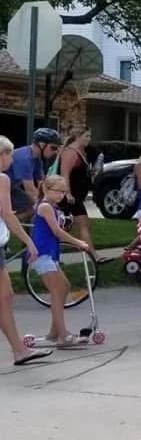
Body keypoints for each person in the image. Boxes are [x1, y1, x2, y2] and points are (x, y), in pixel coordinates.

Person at [27, 175, 91, 348]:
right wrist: (78, 242)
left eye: (64, 191)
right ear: (46, 190)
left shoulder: (51, 207)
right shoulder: (46, 206)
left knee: (64, 288)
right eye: (58, 191)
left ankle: (54, 332)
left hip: (50, 254)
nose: (62, 195)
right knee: (58, 290)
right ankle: (63, 336)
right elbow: (56, 232)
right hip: (43, 254)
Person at [0, 137, 48, 364]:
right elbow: (8, 215)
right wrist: (29, 241)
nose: (12, 158)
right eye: (9, 154)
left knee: (5, 296)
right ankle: (19, 350)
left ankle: (19, 350)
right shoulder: (2, 180)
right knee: (4, 297)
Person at [6, 127, 60, 220]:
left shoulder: (37, 159)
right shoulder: (25, 158)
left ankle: (5, 225)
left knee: (31, 209)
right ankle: (5, 225)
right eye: (53, 147)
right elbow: (30, 189)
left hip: (10, 187)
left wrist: (51, 200)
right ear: (42, 144)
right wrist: (47, 205)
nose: (55, 151)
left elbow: (42, 183)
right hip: (4, 186)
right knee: (34, 207)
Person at [56, 126, 93, 250]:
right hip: (70, 196)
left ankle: (56, 253)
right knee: (82, 224)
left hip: (76, 196)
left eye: (89, 136)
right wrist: (68, 193)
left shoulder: (80, 153)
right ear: (77, 137)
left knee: (69, 226)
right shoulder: (70, 152)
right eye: (86, 136)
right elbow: (64, 173)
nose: (89, 139)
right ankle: (93, 256)